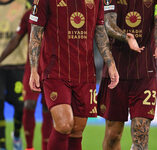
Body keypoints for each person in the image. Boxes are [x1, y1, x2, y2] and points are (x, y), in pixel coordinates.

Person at [28, 0, 119, 150]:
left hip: (85, 73)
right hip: (55, 71)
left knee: (77, 129)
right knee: (64, 124)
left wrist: (111, 63)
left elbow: (100, 31)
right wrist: (33, 69)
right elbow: (36, 32)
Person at [97, 0, 157, 150]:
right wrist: (126, 37)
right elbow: (108, 24)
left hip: (145, 72)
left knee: (141, 136)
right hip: (116, 71)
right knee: (113, 135)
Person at [0, 4, 53, 150]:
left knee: (47, 108)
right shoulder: (28, 15)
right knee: (28, 104)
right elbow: (16, 39)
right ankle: (29, 147)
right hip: (33, 67)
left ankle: (45, 146)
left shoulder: (56, 13)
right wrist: (1, 58)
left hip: (52, 68)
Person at [0, 0, 27, 149]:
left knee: (20, 105)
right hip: (0, 68)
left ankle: (16, 135)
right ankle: (2, 143)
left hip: (18, 65)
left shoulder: (25, 4)